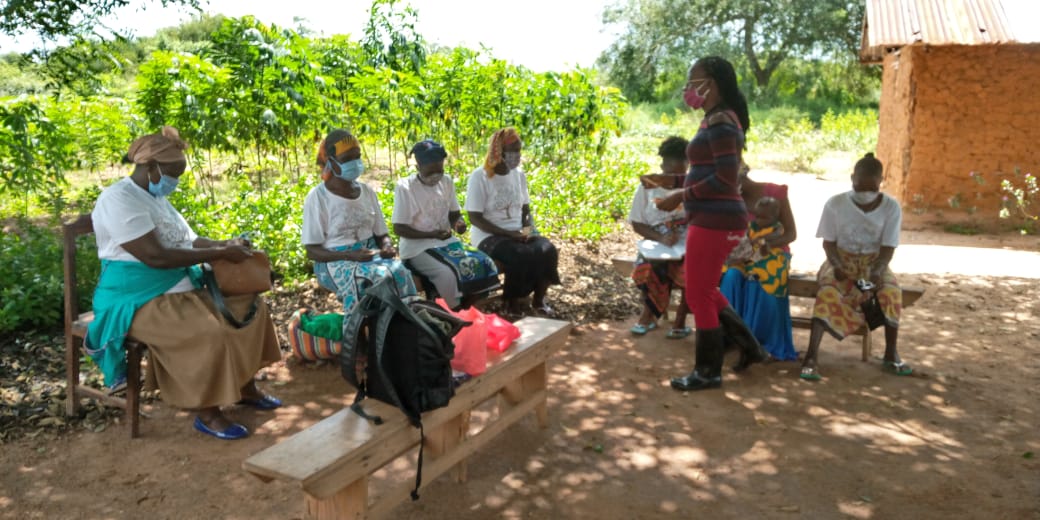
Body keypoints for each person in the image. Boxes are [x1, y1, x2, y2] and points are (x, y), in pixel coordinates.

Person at [88, 126, 282, 441]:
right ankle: (206, 412)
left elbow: (189, 241)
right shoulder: (118, 199)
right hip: (137, 299)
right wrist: (220, 252)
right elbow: (156, 256)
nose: (175, 181)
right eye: (172, 173)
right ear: (150, 167)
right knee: (209, 331)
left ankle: (245, 387)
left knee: (251, 308)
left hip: (180, 287)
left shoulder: (156, 196)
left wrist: (224, 243)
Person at [654, 56, 768, 392]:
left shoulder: (721, 122)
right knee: (705, 288)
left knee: (698, 292)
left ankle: (708, 371)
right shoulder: (715, 120)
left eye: (693, 81)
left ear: (713, 82)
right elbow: (709, 171)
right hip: (712, 215)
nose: (688, 88)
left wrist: (681, 195)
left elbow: (725, 178)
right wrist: (678, 185)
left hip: (716, 217)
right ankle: (749, 346)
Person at [800, 153, 909, 381]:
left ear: (881, 181)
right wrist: (838, 265)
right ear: (852, 179)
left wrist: (878, 271)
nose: (865, 191)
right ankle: (811, 357)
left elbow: (888, 247)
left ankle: (891, 353)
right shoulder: (836, 204)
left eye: (871, 186)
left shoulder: (891, 207)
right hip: (840, 260)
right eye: (860, 185)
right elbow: (828, 243)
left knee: (890, 293)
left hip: (873, 263)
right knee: (828, 292)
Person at [302, 129, 418, 318]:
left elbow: (382, 234)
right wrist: (350, 255)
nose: (355, 163)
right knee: (369, 282)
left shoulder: (366, 192)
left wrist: (387, 247)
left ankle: (401, 328)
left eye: (358, 157)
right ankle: (359, 337)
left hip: (370, 255)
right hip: (334, 260)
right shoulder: (318, 197)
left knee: (400, 273)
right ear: (331, 162)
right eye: (347, 159)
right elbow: (312, 251)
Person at [393, 139, 500, 310]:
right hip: (417, 248)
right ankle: (454, 311)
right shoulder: (405, 187)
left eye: (439, 169)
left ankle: (466, 307)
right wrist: (431, 234)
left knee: (483, 262)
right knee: (447, 274)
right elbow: (399, 228)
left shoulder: (446, 182)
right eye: (431, 170)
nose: (436, 175)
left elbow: (454, 213)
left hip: (445, 242)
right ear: (418, 166)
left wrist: (458, 223)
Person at [465, 127, 561, 318]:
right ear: (499, 152)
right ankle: (511, 302)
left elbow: (526, 211)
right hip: (489, 236)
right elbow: (474, 217)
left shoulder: (518, 175)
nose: (517, 156)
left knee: (547, 249)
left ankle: (539, 300)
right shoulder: (480, 176)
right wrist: (509, 234)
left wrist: (527, 231)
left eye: (519, 151)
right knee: (519, 255)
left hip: (517, 233)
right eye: (513, 151)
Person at [720, 170, 799, 365]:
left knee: (763, 280)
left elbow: (790, 233)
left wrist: (768, 245)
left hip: (772, 253)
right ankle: (730, 337)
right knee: (730, 276)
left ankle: (761, 342)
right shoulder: (728, 199)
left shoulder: (774, 194)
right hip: (744, 253)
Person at [628, 136, 691, 338]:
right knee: (654, 263)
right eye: (670, 172)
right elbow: (637, 222)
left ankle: (679, 321)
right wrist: (660, 238)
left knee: (692, 266)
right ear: (662, 165)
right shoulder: (648, 188)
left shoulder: (691, 187)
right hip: (657, 241)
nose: (674, 178)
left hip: (687, 241)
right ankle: (648, 316)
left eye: (680, 173)